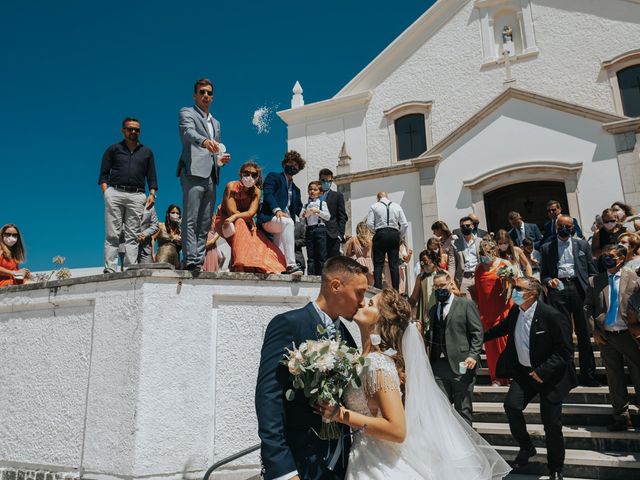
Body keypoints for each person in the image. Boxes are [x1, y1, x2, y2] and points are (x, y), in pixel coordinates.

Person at [317, 288, 511, 479]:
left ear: (381, 319)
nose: (361, 303)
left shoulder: (378, 365)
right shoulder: (361, 359)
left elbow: (397, 430)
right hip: (365, 455)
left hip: (382, 464)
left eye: (369, 303)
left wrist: (341, 415)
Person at [255, 256, 369, 480]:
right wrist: (282, 469)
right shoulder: (288, 324)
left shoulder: (348, 339)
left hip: (341, 464)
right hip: (300, 463)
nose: (363, 302)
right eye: (359, 292)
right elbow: (269, 397)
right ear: (336, 286)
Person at [484, 276, 576, 480]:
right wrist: (478, 336)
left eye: (518, 288)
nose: (514, 291)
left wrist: (542, 371)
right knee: (511, 406)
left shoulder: (551, 315)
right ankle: (527, 447)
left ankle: (556, 468)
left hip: (550, 376)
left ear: (532, 294)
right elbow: (503, 328)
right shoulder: (516, 310)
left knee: (551, 423)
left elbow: (565, 351)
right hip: (524, 373)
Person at [177, 78, 231, 271]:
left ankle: (198, 260)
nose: (205, 95)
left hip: (212, 175)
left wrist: (220, 160)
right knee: (191, 218)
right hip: (192, 171)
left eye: (209, 92)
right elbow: (188, 132)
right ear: (195, 95)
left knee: (205, 221)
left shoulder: (216, 123)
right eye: (202, 92)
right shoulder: (187, 112)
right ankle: (190, 258)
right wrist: (204, 142)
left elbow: (215, 151)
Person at [584, 244, 640, 431]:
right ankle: (621, 417)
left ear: (621, 259)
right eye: (605, 256)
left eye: (612, 256)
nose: (607, 259)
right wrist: (595, 330)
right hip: (606, 336)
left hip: (629, 335)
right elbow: (588, 307)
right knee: (614, 377)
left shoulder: (633, 278)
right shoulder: (595, 281)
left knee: (638, 375)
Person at [540, 214, 599, 386]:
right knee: (564, 334)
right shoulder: (546, 248)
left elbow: (592, 270)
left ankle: (588, 374)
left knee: (584, 333)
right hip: (558, 291)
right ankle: (569, 374)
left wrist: (591, 291)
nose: (564, 229)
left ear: (573, 227)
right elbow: (544, 275)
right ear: (555, 227)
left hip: (579, 289)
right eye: (561, 226)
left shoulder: (581, 244)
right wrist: (548, 281)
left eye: (568, 226)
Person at [98, 117, 158, 273]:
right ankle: (110, 269)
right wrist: (107, 193)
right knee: (113, 234)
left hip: (137, 195)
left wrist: (152, 192)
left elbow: (151, 176)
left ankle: (130, 269)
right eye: (130, 129)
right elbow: (103, 174)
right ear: (123, 130)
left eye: (136, 129)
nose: (133, 132)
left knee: (132, 235)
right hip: (115, 193)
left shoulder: (147, 152)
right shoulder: (113, 149)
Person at [426, 271, 483, 425]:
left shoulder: (466, 304)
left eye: (442, 285)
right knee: (441, 409)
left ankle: (467, 446)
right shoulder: (433, 310)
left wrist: (473, 355)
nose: (439, 289)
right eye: (436, 287)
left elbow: (477, 332)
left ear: (450, 284)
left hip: (462, 363)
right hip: (438, 365)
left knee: (463, 408)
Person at [214, 161, 286, 273]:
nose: (250, 177)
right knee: (240, 224)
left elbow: (251, 213)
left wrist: (244, 218)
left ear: (257, 177)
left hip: (244, 221)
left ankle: (248, 265)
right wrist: (240, 217)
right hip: (225, 220)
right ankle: (241, 265)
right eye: (246, 173)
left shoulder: (257, 192)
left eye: (253, 175)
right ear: (240, 174)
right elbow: (232, 211)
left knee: (260, 241)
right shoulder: (231, 186)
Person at [257, 151, 305, 275]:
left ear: (298, 169)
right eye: (290, 163)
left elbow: (299, 209)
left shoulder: (296, 190)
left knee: (278, 248)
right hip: (270, 218)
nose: (292, 167)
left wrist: (307, 213)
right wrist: (277, 210)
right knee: (288, 222)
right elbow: (268, 194)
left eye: (295, 165)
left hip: (282, 224)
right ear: (284, 164)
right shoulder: (274, 177)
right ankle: (292, 265)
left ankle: (277, 268)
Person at [474, 238, 512, 386]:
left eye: (486, 253)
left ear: (494, 252)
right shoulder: (479, 269)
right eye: (481, 253)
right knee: (490, 349)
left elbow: (514, 285)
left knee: (504, 345)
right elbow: (478, 291)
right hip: (486, 312)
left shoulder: (504, 265)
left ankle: (508, 375)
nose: (484, 256)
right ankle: (495, 377)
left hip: (502, 311)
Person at [366, 192, 408, 290]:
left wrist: (377, 231)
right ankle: (396, 290)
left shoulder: (374, 206)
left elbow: (369, 224)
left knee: (378, 264)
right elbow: (404, 224)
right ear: (387, 197)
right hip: (394, 234)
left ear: (378, 198)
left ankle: (377, 289)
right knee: (394, 264)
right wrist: (399, 236)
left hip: (381, 233)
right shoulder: (397, 206)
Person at [301, 181, 331, 275]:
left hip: (320, 229)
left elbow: (328, 217)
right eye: (310, 189)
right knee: (311, 255)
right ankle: (311, 276)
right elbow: (301, 220)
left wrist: (318, 211)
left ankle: (322, 276)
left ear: (320, 192)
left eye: (315, 189)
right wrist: (304, 215)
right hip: (309, 230)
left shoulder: (322, 203)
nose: (312, 191)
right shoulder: (305, 205)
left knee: (321, 255)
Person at [319, 169, 348, 258]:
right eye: (324, 181)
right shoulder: (315, 196)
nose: (326, 183)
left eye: (329, 181)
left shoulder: (337, 196)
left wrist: (339, 235)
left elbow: (342, 216)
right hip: (318, 234)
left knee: (333, 263)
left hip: (332, 235)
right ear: (319, 180)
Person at [408, 249, 438, 334]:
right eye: (421, 263)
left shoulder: (442, 274)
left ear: (432, 260)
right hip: (425, 314)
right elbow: (414, 297)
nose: (423, 264)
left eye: (425, 261)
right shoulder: (420, 277)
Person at [453, 216, 481, 297]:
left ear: (472, 226)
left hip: (478, 276)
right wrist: (451, 281)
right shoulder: (455, 243)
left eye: (467, 225)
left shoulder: (480, 241)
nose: (465, 227)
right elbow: (452, 265)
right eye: (462, 226)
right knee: (468, 305)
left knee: (481, 304)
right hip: (464, 278)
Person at [344, 221, 374, 286]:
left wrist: (355, 252)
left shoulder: (353, 239)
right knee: (370, 285)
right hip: (369, 263)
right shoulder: (371, 239)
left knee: (359, 284)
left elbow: (348, 254)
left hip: (358, 262)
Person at [153, 205, 182, 269]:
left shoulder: (179, 230)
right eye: (173, 212)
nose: (175, 215)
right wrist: (152, 254)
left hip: (175, 259)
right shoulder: (161, 225)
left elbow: (183, 246)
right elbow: (152, 239)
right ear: (168, 214)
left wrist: (180, 241)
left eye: (177, 213)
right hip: (162, 256)